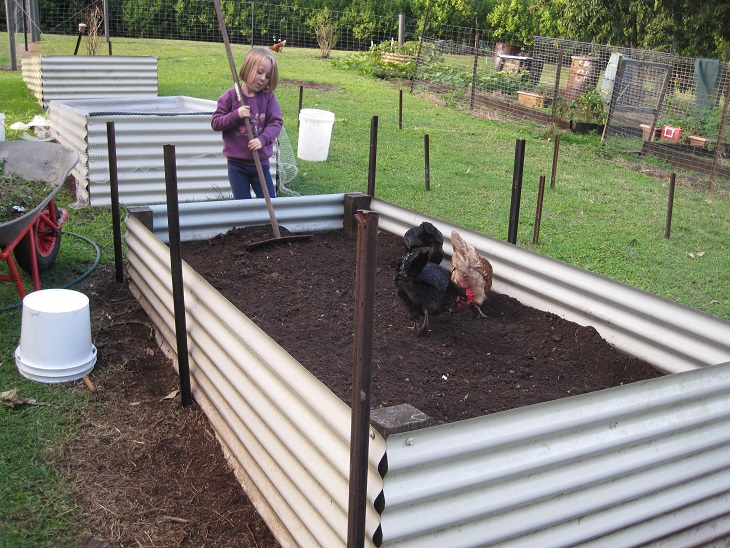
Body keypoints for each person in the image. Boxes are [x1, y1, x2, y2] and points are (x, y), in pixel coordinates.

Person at [211, 47, 283, 199]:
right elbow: (216, 123)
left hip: (260, 164)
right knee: (242, 206)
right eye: (260, 72)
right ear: (247, 68)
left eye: (267, 76)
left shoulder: (268, 97)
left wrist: (262, 140)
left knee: (269, 202)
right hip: (236, 165)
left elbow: (276, 123)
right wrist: (236, 115)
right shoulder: (230, 97)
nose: (263, 78)